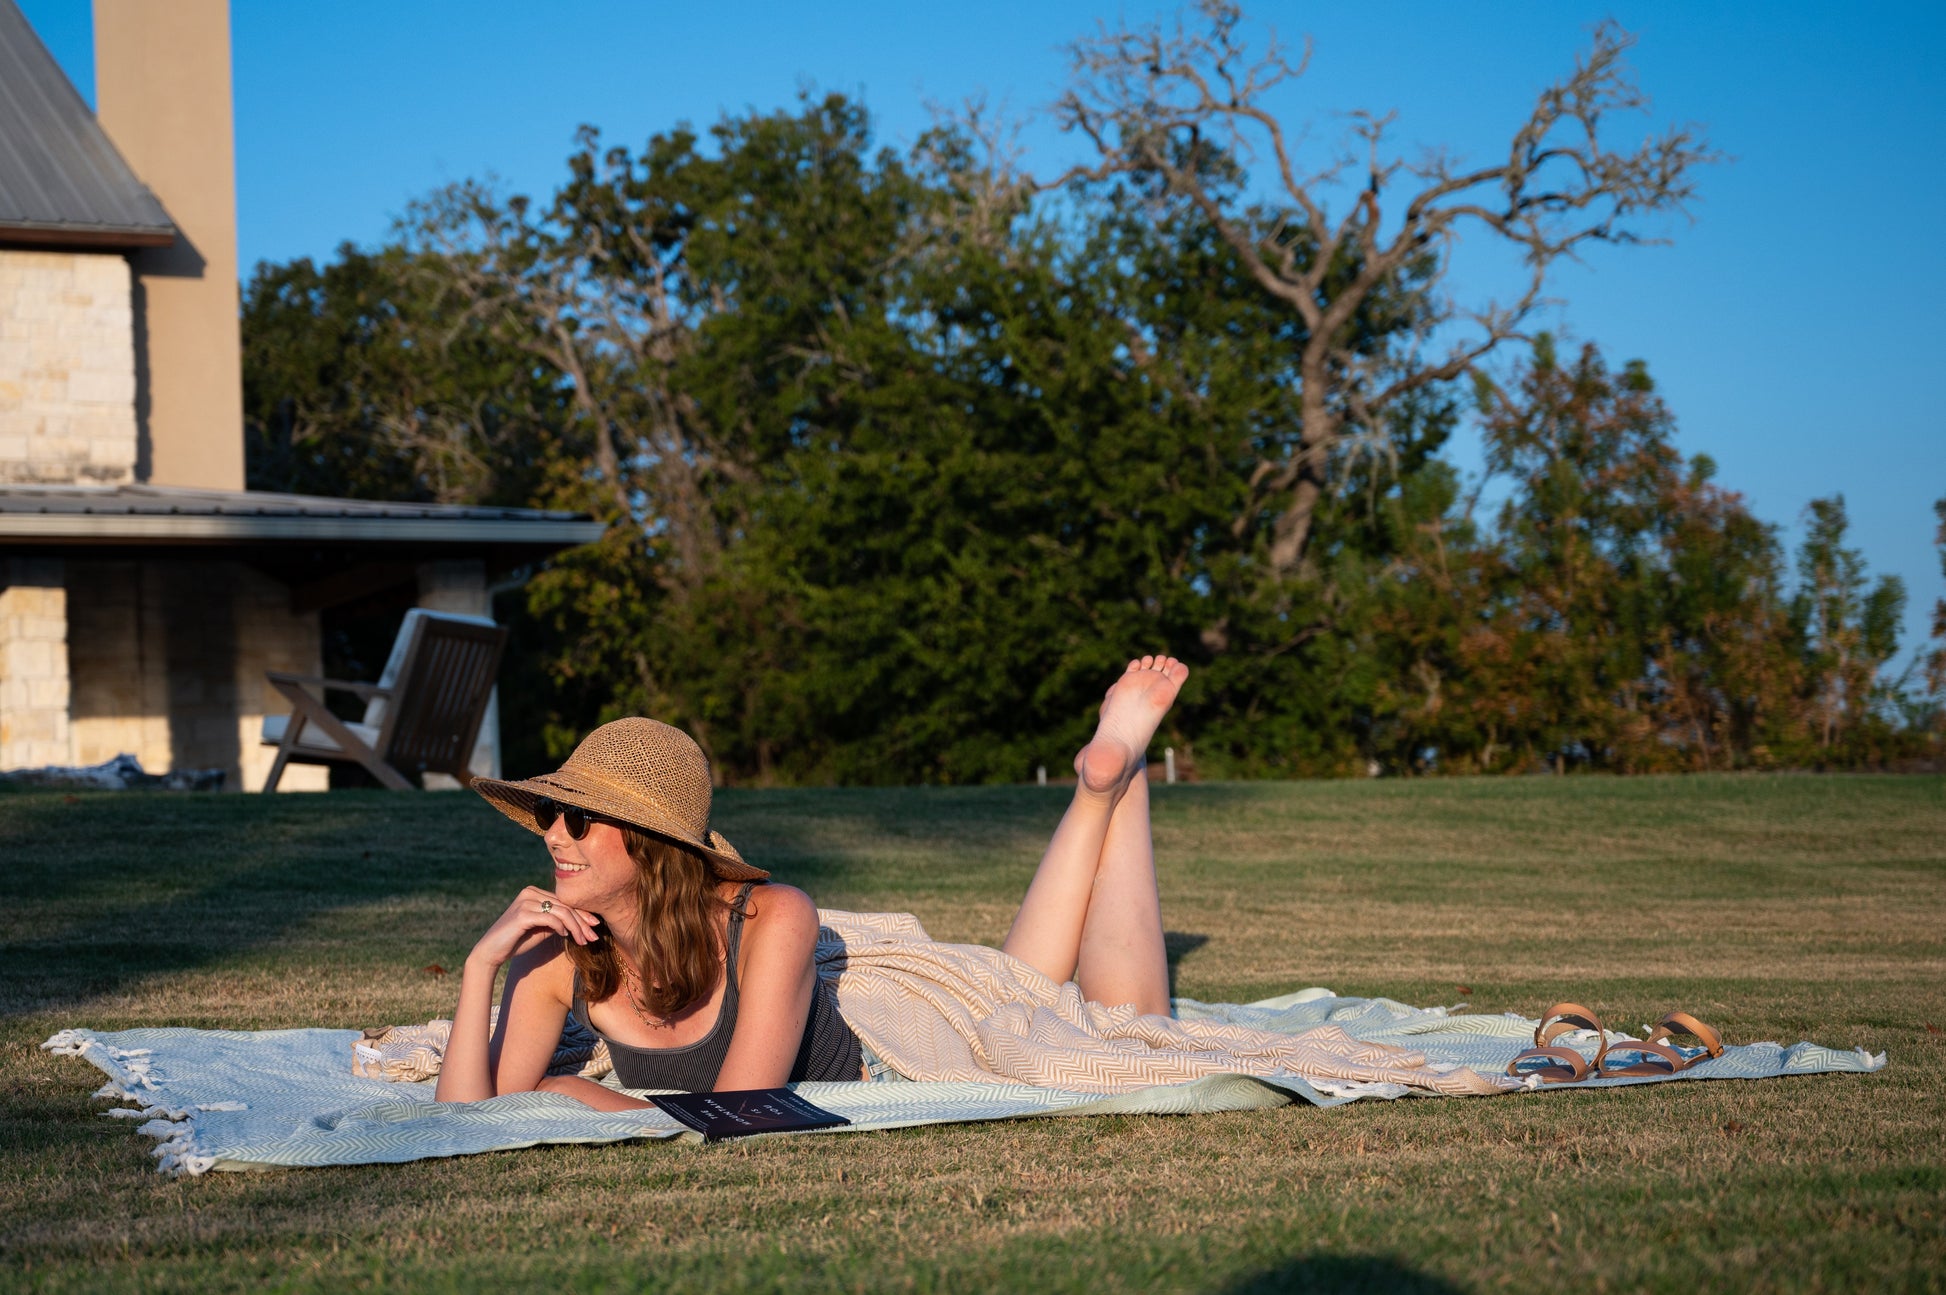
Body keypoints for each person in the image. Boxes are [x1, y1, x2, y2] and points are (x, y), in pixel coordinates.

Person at [434, 655, 1190, 1108]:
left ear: (650, 845)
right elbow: (467, 1120)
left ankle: (1117, 780)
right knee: (1025, 978)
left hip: (902, 1054)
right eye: (548, 812)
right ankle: (1108, 783)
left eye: (576, 818)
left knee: (1115, 1020)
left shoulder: (773, 915)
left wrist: (589, 1100)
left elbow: (738, 1111)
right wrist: (480, 968)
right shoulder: (554, 951)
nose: (552, 834)